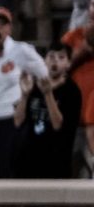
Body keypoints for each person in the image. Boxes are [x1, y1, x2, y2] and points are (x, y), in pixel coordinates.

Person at [0, 8, 49, 178]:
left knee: (7, 169)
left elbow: (44, 73)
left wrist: (29, 90)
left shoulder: (21, 50)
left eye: (3, 24)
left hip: (9, 118)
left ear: (10, 29)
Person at [12, 44, 82, 179]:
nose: (55, 61)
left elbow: (57, 125)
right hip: (28, 162)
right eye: (51, 56)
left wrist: (48, 94)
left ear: (68, 64)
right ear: (44, 61)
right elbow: (17, 121)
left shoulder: (72, 91)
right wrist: (25, 96)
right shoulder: (32, 85)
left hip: (56, 164)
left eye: (61, 57)